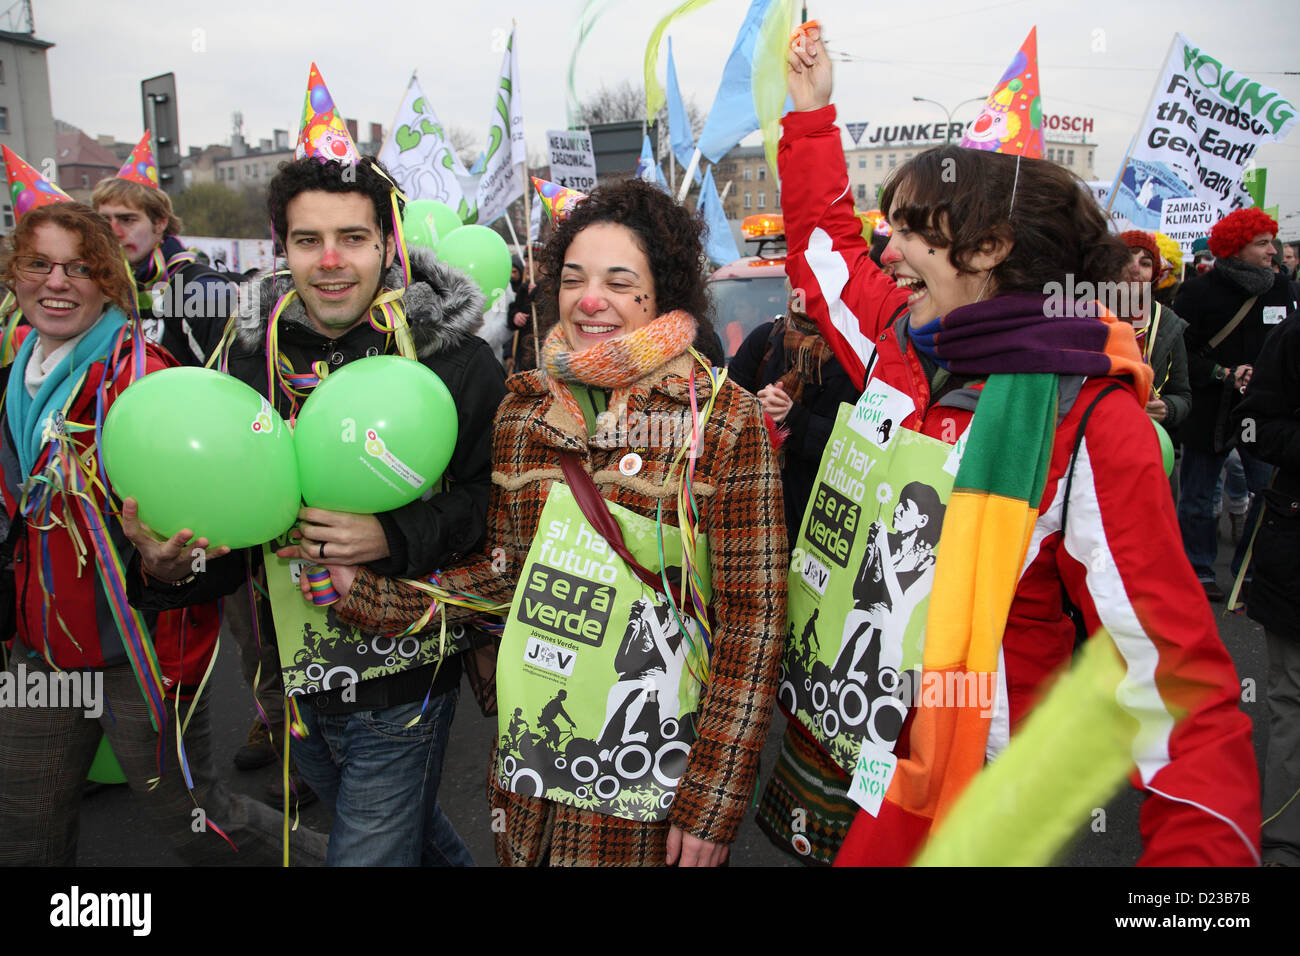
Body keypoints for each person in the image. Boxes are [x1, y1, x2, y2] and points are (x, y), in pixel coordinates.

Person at [762, 22, 1258, 867]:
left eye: (916, 231)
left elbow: (1179, 692)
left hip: (972, 798)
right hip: (845, 745)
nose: (891, 250)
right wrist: (812, 116)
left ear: (991, 249)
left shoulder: (1089, 422)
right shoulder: (899, 342)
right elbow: (824, 251)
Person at [324, 178, 787, 867]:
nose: (589, 299)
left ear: (662, 293)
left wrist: (713, 799)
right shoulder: (523, 413)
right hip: (536, 769)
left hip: (651, 782)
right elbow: (504, 581)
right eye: (573, 278)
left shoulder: (721, 418)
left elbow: (755, 621)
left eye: (618, 281)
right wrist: (369, 592)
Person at [126, 155, 506, 867]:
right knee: (412, 836)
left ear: (388, 245)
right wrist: (172, 566)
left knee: (364, 853)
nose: (331, 262)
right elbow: (234, 521)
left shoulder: (450, 358)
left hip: (407, 673)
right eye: (308, 241)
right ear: (283, 248)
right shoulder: (247, 361)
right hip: (293, 679)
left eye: (353, 238)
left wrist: (390, 533)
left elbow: (497, 504)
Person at [0, 201, 322, 865]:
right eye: (39, 264)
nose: (56, 282)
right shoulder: (12, 376)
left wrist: (169, 564)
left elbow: (210, 538)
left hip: (137, 650)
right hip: (39, 648)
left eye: (79, 267)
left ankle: (352, 859)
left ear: (110, 281)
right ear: (15, 274)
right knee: (24, 825)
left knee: (196, 820)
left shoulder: (145, 379)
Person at [1174, 207, 1298, 601]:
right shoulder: (1196, 292)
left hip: (1261, 416)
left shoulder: (1282, 289)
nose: (1273, 253)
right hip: (1209, 412)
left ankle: (1249, 571)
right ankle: (1198, 569)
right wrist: (1223, 373)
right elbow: (1178, 356)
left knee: (1267, 495)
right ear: (1235, 248)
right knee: (1197, 495)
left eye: (1272, 244)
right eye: (1262, 244)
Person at [1233, 313, 1300, 866]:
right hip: (1296, 550)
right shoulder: (1295, 334)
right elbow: (1252, 427)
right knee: (1293, 699)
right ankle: (1284, 838)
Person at [728, 286, 860, 545]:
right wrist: (755, 408)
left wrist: (793, 416)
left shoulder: (853, 356)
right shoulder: (766, 339)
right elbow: (725, 405)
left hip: (816, 511)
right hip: (754, 498)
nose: (800, 290)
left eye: (812, 282)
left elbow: (853, 445)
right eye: (795, 280)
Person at [91, 171, 234, 367]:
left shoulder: (202, 289)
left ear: (160, 223)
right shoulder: (93, 287)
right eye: (104, 220)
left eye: (127, 220)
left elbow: (230, 378)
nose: (113, 232)